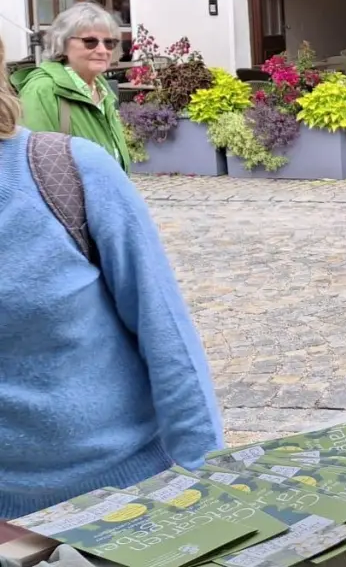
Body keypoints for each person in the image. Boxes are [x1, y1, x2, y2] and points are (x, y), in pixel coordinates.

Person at [0, 34, 223, 519]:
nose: (103, 49)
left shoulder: (69, 173)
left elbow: (167, 337)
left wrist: (207, 489)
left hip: (120, 499)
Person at [15, 1, 133, 172]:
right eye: (90, 41)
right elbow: (31, 166)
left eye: (109, 42)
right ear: (62, 43)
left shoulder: (101, 88)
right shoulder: (43, 90)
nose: (102, 50)